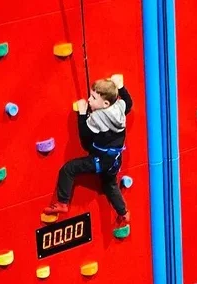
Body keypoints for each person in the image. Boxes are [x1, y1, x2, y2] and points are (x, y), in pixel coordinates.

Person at [43, 75, 132, 226]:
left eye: (93, 97)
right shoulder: (119, 108)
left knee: (68, 169)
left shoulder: (97, 117)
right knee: (109, 184)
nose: (89, 100)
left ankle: (63, 202)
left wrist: (82, 114)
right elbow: (128, 103)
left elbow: (85, 137)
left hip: (100, 160)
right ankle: (123, 212)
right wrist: (121, 87)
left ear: (105, 103)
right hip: (115, 160)